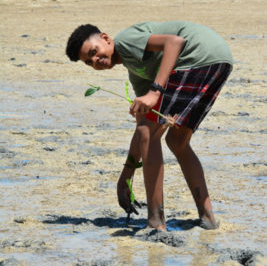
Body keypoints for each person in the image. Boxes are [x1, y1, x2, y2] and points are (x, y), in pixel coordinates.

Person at [66, 21, 233, 230]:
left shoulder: (126, 41)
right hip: (219, 60)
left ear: (106, 39)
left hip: (197, 55)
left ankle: (155, 223)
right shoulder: (137, 73)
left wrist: (155, 91)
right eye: (89, 62)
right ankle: (208, 218)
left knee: (151, 132)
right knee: (177, 140)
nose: (95, 61)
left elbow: (174, 42)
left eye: (94, 51)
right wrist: (126, 174)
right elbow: (141, 130)